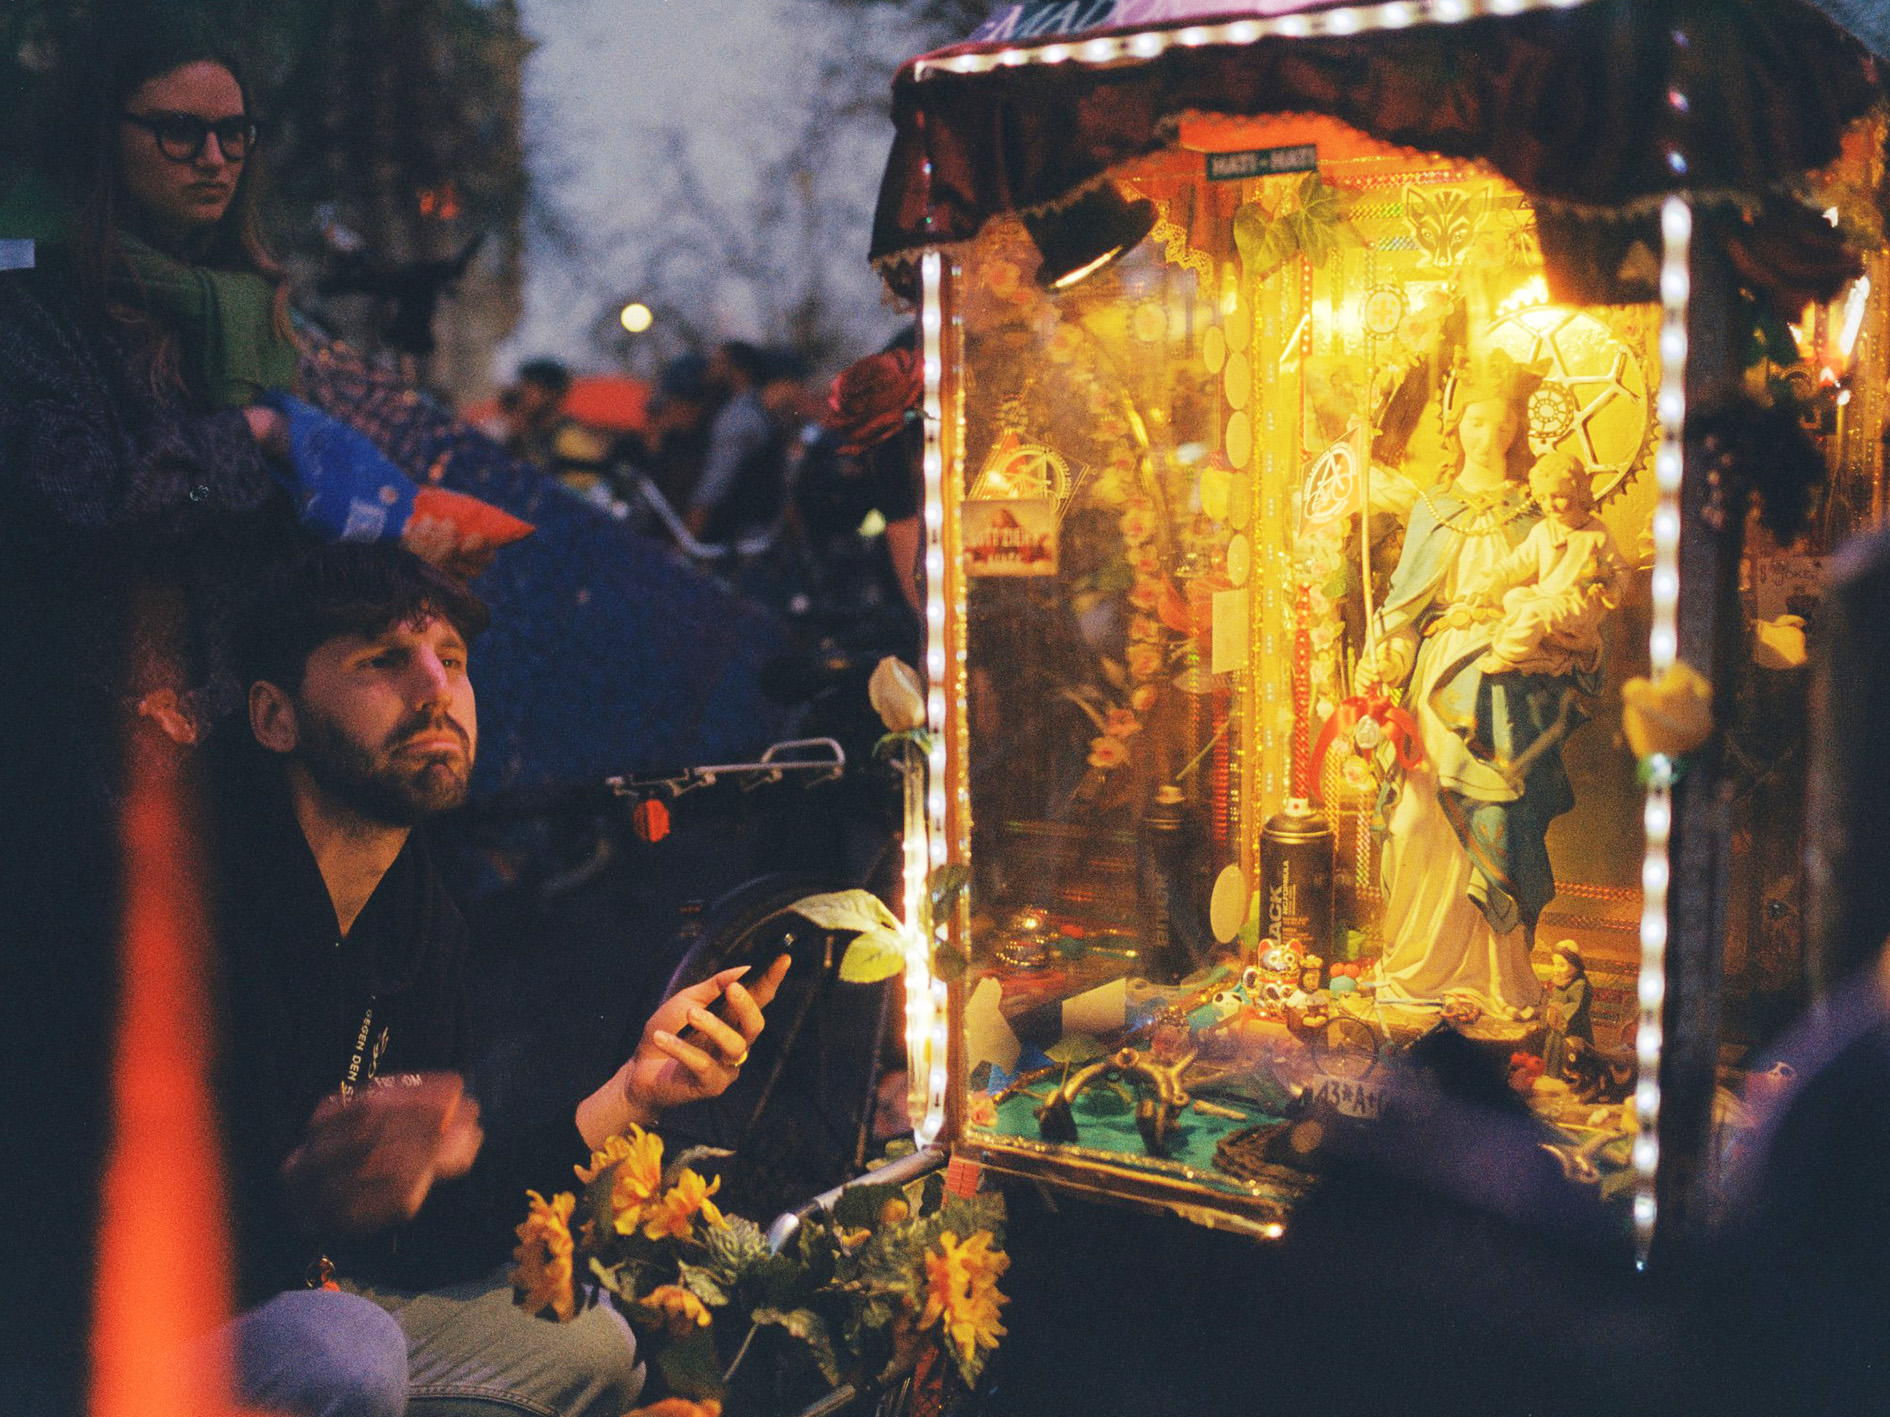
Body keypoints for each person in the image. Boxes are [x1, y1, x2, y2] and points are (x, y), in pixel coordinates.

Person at [210, 542, 790, 1417]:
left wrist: (635, 1091)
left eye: (452, 660)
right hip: (157, 1326)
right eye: (381, 660)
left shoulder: (418, 913)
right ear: (274, 716)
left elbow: (430, 1237)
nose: (435, 688)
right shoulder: (186, 888)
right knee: (346, 1356)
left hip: (314, 1283)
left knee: (597, 1351)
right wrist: (305, 1191)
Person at [1358, 350, 1569, 1016]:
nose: (1488, 436)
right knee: (1419, 819)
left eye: (1500, 423)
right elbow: (1402, 608)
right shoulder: (1435, 507)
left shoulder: (1538, 514)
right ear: (1458, 425)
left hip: (1505, 688)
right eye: (1476, 422)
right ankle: (1416, 968)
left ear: (1515, 429)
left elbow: (1567, 596)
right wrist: (1383, 657)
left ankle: (1499, 976)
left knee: (1496, 820)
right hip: (1441, 676)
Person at [1465, 451, 1626, 676]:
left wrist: (1609, 589)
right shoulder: (1543, 530)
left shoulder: (1597, 533)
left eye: (1558, 495)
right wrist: (1494, 577)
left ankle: (1506, 656)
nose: (1550, 505)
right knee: (1513, 598)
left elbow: (1619, 570)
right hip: (1547, 595)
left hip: (1577, 604)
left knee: (1533, 613)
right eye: (1542, 498)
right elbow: (1519, 562)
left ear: (1579, 490)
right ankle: (1555, 641)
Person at [686, 340, 787, 546]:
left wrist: (686, 541)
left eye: (717, 364)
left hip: (734, 542)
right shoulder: (756, 411)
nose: (709, 372)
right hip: (748, 538)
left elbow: (713, 489)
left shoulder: (738, 417)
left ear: (738, 371)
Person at [1540, 941, 1593, 1080]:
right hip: (1556, 1027)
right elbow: (1553, 999)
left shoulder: (1579, 985)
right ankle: (1552, 1074)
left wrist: (1560, 1012)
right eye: (1555, 964)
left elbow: (1577, 1007)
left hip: (1572, 1030)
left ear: (1575, 965)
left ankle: (1569, 1078)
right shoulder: (1561, 981)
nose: (1556, 969)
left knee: (1569, 1055)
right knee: (1553, 1050)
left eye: (1562, 965)